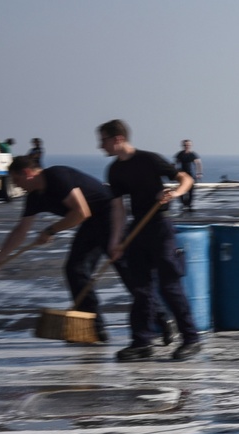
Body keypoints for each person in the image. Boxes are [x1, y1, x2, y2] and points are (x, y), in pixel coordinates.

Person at [0, 156, 121, 342]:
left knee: (127, 270)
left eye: (17, 180)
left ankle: (161, 319)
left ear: (27, 173)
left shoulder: (57, 176)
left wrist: (50, 230)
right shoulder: (35, 197)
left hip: (110, 214)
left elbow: (81, 211)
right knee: (75, 269)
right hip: (91, 223)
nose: (17, 186)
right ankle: (93, 328)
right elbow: (21, 230)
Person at [97, 119, 202, 362]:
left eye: (103, 140)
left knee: (169, 286)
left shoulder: (149, 159)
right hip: (138, 231)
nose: (100, 146)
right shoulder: (114, 170)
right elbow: (118, 208)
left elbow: (186, 179)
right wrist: (116, 241)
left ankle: (191, 339)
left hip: (160, 227)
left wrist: (173, 193)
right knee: (141, 289)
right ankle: (142, 343)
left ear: (118, 139)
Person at [174, 140, 203, 211]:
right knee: (181, 190)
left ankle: (189, 206)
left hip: (190, 174)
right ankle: (184, 204)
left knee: (191, 191)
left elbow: (198, 163)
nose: (187, 146)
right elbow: (175, 164)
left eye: (188, 145)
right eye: (185, 145)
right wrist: (174, 173)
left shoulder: (192, 154)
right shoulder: (180, 154)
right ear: (183, 146)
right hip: (182, 174)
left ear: (190, 146)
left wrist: (199, 173)